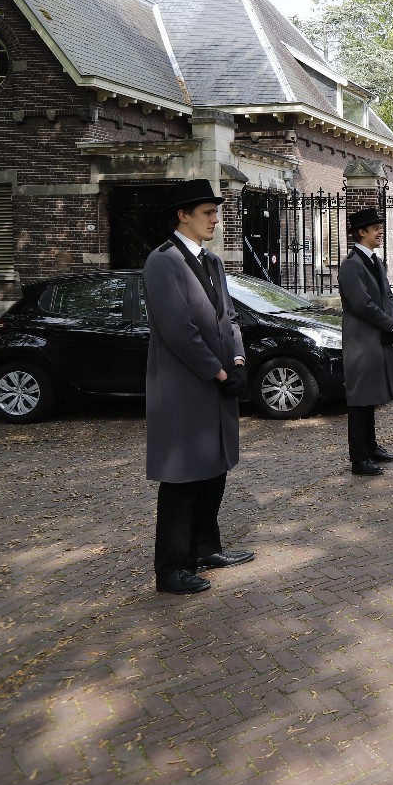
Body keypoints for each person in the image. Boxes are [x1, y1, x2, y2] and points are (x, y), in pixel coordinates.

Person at [144, 179, 254, 596]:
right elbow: (179, 330)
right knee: (182, 476)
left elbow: (229, 317)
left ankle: (206, 548)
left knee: (214, 468)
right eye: (207, 213)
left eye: (215, 212)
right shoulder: (163, 262)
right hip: (184, 388)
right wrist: (219, 372)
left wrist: (238, 361)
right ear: (183, 215)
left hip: (216, 383)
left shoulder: (212, 261)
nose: (215, 220)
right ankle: (171, 568)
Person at [338, 207, 393, 477]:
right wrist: (389, 324)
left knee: (371, 396)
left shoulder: (376, 261)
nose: (380, 232)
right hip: (361, 343)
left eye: (380, 227)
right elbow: (361, 304)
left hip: (377, 339)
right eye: (375, 228)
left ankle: (372, 447)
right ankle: (359, 458)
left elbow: (388, 296)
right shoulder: (351, 265)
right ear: (361, 232)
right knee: (359, 400)